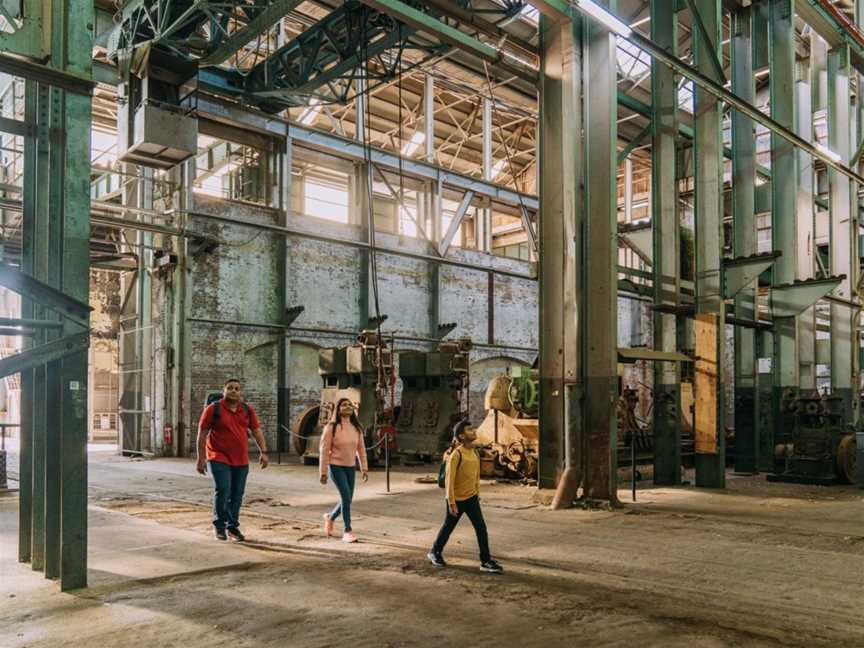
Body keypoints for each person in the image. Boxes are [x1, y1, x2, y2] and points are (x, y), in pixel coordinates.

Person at [196, 378, 269, 541]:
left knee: (237, 494)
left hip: (241, 460)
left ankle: (232, 527)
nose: (234, 391)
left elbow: (257, 431)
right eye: (230, 388)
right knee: (223, 489)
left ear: (240, 392)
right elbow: (202, 434)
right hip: (217, 456)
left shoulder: (247, 410)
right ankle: (219, 526)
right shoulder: (213, 409)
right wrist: (201, 458)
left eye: (237, 388)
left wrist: (263, 451)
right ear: (224, 391)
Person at [427, 420, 503, 573]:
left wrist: (477, 494)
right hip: (457, 500)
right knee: (448, 527)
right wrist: (451, 501)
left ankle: (485, 561)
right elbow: (449, 480)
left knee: (481, 528)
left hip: (472, 498)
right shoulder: (456, 455)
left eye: (473, 429)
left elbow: (475, 477)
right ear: (461, 436)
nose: (473, 431)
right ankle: (435, 552)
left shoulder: (474, 452)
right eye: (469, 430)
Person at [319, 398, 368, 543]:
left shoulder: (356, 427)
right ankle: (347, 531)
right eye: (344, 405)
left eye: (350, 405)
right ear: (338, 409)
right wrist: (323, 472)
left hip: (350, 467)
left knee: (348, 499)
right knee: (346, 497)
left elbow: (361, 449)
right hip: (335, 466)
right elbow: (324, 450)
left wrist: (364, 468)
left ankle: (330, 517)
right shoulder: (331, 427)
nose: (348, 407)